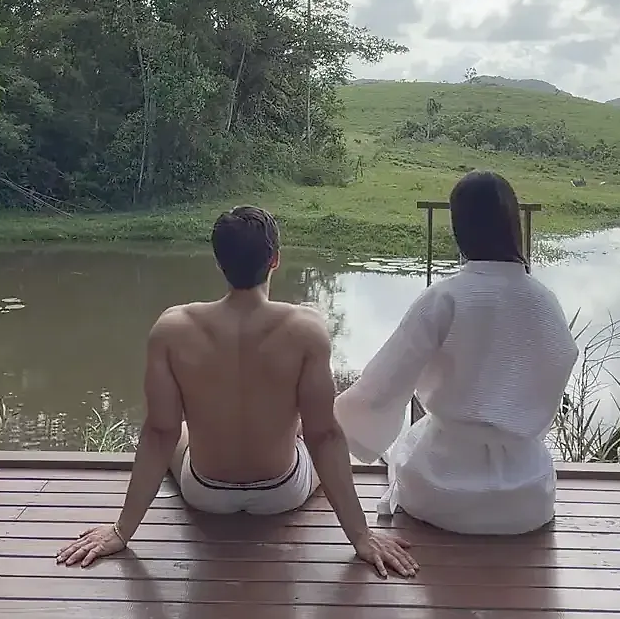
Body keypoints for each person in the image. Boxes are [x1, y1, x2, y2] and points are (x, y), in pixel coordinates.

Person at [56, 205, 418, 578]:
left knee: (178, 429)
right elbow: (323, 435)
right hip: (283, 491)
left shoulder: (172, 328)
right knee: (315, 426)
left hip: (205, 491)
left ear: (219, 262)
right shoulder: (306, 329)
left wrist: (121, 531)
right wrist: (361, 536)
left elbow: (159, 433)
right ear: (275, 259)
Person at [334, 170, 578, 535]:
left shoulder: (444, 297)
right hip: (527, 497)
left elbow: (382, 386)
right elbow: (559, 364)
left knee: (404, 447)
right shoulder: (545, 302)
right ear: (513, 225)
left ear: (460, 227)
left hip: (442, 489)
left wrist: (332, 421)